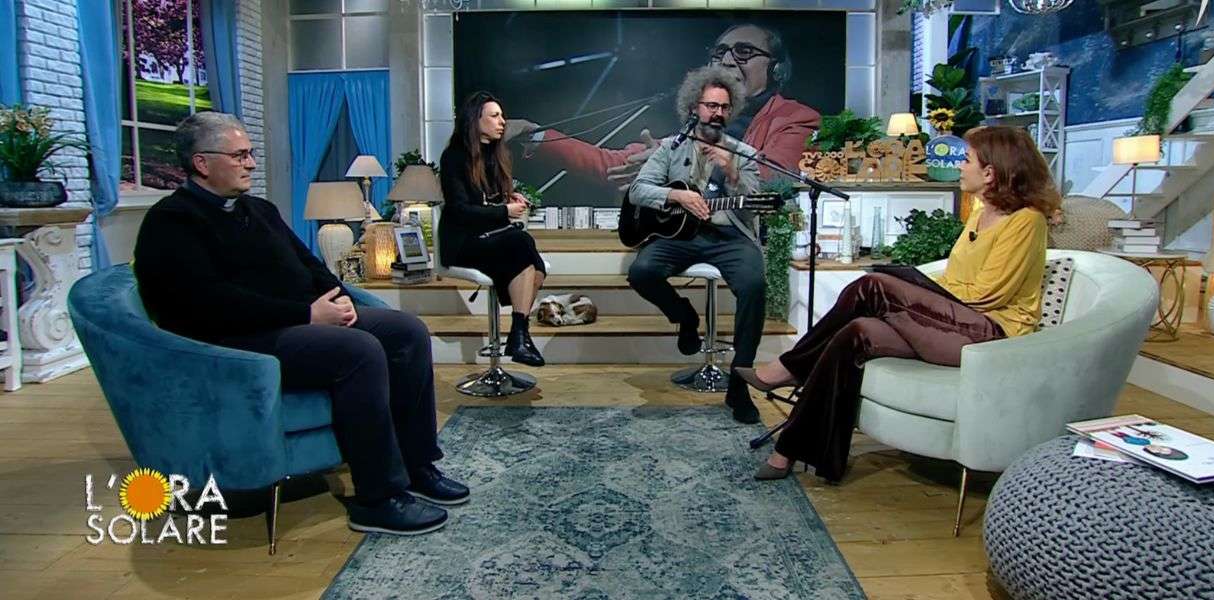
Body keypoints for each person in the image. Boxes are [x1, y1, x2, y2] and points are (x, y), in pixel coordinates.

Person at [133, 112, 468, 537]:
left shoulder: (259, 209)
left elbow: (309, 263)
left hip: (297, 319)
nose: (251, 163)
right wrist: (307, 315)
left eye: (250, 153)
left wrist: (339, 298)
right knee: (358, 350)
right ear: (202, 163)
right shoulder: (171, 222)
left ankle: (416, 465)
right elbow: (211, 303)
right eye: (240, 155)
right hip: (234, 342)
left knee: (406, 331)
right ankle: (378, 497)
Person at [739, 126, 1058, 482]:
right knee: (856, 332)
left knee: (872, 286)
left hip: (990, 334)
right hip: (955, 322)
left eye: (966, 159)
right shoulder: (981, 211)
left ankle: (788, 367)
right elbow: (956, 277)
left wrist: (919, 293)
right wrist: (920, 289)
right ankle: (790, 451)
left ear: (990, 172)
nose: (959, 166)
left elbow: (987, 294)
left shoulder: (1027, 221)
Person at [505, 23, 820, 191]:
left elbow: (772, 179)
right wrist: (534, 134)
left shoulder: (796, 118)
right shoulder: (698, 121)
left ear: (776, 69)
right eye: (720, 52)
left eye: (744, 52)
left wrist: (673, 162)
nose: (726, 60)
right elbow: (614, 163)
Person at [626, 66, 765, 424]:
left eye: (724, 107)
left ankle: (740, 383)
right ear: (694, 108)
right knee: (642, 271)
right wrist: (677, 196)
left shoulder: (744, 152)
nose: (717, 113)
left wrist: (733, 173)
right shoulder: (671, 147)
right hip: (682, 236)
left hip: (730, 237)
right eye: (710, 106)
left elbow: (754, 201)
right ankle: (685, 316)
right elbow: (638, 190)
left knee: (754, 286)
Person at [438, 91, 548, 367]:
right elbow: (460, 210)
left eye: (502, 116)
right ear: (475, 120)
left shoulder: (494, 155)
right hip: (463, 242)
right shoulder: (454, 157)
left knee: (533, 261)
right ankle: (519, 336)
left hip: (490, 237)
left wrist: (508, 198)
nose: (502, 122)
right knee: (522, 244)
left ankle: (519, 334)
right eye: (495, 116)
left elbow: (486, 199)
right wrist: (504, 211)